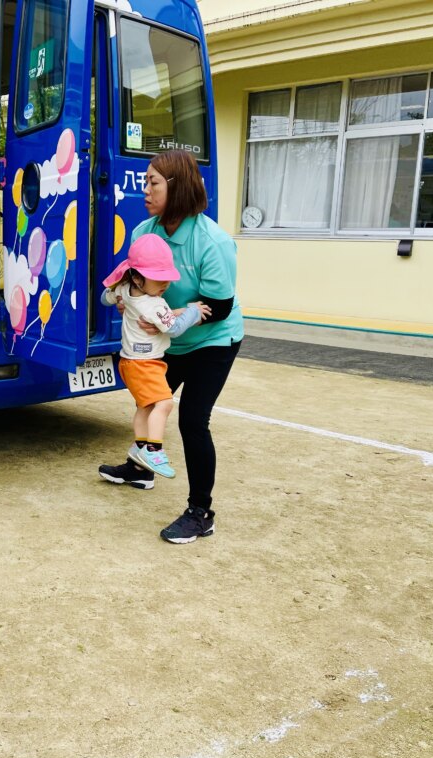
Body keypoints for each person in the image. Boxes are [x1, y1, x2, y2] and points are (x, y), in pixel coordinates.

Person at [98, 149, 244, 545]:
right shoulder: (143, 233)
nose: (145, 190)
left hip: (213, 339)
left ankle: (201, 513)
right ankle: (141, 469)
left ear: (177, 188)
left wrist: (175, 317)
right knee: (148, 400)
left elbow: (219, 306)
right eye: (146, 182)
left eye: (153, 183)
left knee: (192, 421)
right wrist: (128, 301)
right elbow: (131, 282)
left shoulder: (212, 242)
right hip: (169, 339)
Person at [100, 234, 209, 479]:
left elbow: (104, 298)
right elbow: (174, 328)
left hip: (130, 362)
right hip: (146, 364)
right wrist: (193, 312)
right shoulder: (154, 305)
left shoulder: (125, 291)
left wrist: (117, 285)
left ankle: (140, 447)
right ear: (137, 278)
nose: (165, 284)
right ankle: (153, 450)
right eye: (158, 279)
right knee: (165, 403)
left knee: (146, 406)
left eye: (167, 278)